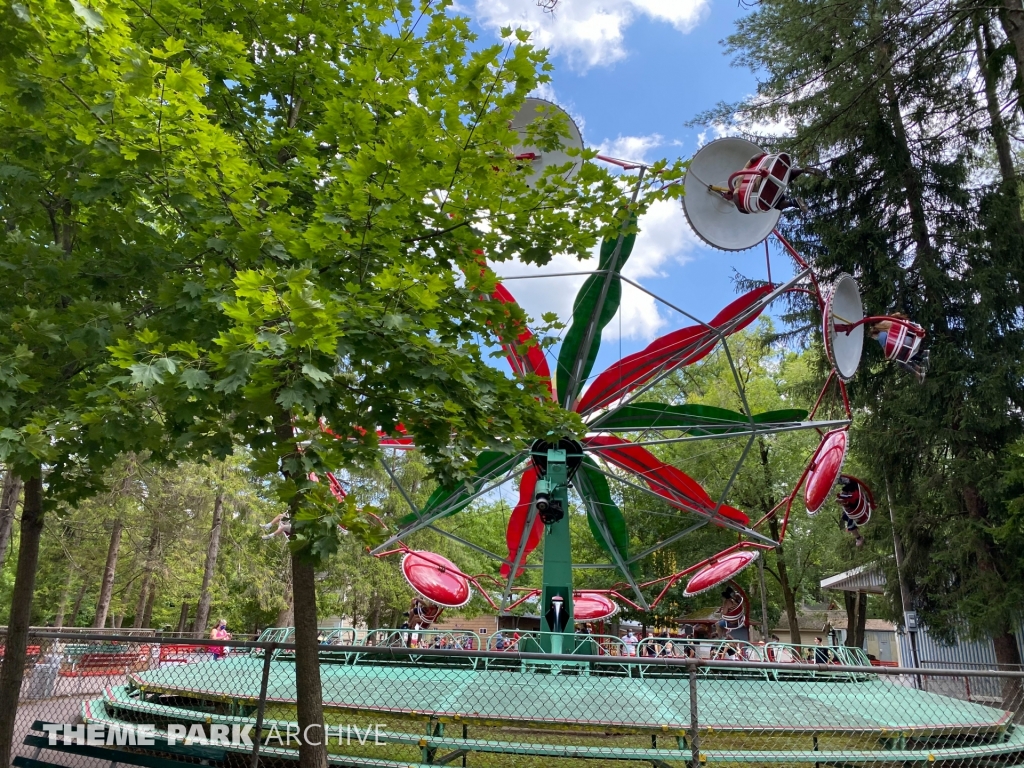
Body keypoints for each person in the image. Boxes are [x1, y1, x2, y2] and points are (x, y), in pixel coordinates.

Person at [866, 314, 929, 383]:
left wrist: (886, 356)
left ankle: (918, 374)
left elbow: (886, 351)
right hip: (908, 338)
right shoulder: (887, 321)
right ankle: (920, 365)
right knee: (902, 357)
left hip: (904, 343)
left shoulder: (881, 334)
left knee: (900, 362)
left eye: (873, 337)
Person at [837, 476, 866, 547]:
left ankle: (858, 538)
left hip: (855, 508)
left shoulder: (852, 495)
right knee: (847, 518)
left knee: (849, 522)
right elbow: (849, 500)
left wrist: (842, 500)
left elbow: (851, 499)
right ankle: (858, 537)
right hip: (853, 509)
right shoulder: (849, 493)